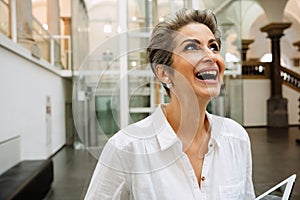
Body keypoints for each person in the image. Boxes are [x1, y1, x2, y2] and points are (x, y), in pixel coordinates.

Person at [85, 8, 256, 200]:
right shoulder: (126, 149)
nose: (211, 56)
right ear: (164, 73)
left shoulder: (236, 138)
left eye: (214, 46)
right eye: (192, 47)